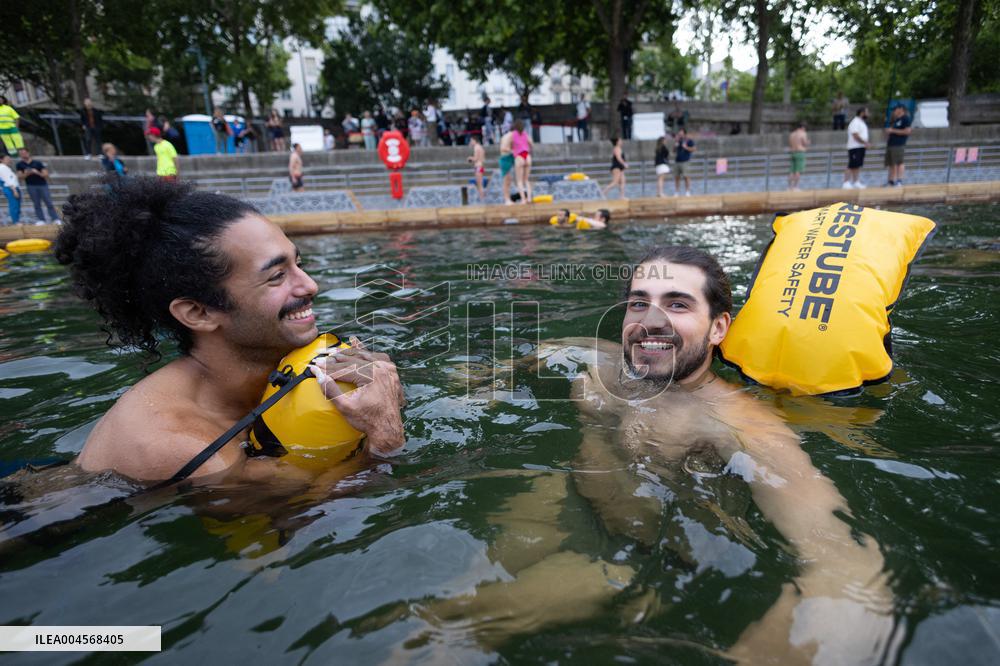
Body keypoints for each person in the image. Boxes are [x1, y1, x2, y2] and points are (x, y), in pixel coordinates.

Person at [549, 245, 892, 662]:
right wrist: (490, 380)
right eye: (639, 303)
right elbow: (552, 347)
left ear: (717, 328)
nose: (651, 321)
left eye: (677, 304)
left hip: (637, 562)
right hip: (568, 500)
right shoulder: (608, 367)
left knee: (481, 612)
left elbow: (842, 560)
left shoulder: (741, 425)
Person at [53, 177, 405, 484]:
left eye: (298, 263)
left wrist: (384, 391)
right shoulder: (184, 448)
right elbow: (318, 525)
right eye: (277, 276)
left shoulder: (260, 366)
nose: (310, 285)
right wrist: (385, 439)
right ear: (198, 312)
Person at [16, 147, 61, 224]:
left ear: (28, 153)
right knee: (36, 204)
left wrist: (36, 172)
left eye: (24, 153)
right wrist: (26, 173)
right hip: (30, 186)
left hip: (42, 185)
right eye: (21, 154)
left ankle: (55, 219)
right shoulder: (19, 164)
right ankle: (41, 220)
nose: (23, 155)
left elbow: (46, 175)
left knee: (49, 202)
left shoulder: (37, 163)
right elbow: (20, 177)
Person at [885, 104, 912, 187]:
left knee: (899, 162)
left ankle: (899, 181)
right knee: (891, 163)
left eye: (895, 109)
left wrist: (892, 130)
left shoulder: (905, 118)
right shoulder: (896, 120)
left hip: (898, 144)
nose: (894, 111)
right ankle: (891, 181)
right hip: (891, 144)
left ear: (901, 109)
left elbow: (907, 131)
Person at [844, 107, 870, 189]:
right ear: (862, 113)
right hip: (854, 147)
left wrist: (864, 143)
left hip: (860, 147)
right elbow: (855, 135)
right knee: (852, 164)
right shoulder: (855, 122)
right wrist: (865, 142)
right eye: (867, 112)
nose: (868, 114)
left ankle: (856, 181)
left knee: (857, 165)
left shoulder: (861, 122)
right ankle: (846, 182)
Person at [511, 120, 533, 203]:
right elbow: (531, 143)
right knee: (526, 180)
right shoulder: (525, 134)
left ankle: (523, 199)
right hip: (527, 155)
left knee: (519, 181)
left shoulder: (513, 134)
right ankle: (529, 198)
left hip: (519, 156)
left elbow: (510, 144)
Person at [673, 128, 696, 196]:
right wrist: (675, 145)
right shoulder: (678, 141)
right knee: (677, 177)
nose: (680, 135)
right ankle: (677, 192)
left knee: (686, 176)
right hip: (677, 161)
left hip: (685, 161)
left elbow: (694, 149)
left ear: (684, 134)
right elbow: (673, 151)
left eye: (681, 133)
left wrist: (686, 147)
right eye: (679, 134)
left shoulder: (689, 140)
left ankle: (687, 191)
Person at [787, 122, 810, 191]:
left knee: (791, 171)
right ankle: (795, 187)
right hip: (800, 153)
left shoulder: (792, 134)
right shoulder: (803, 133)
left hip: (792, 153)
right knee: (798, 171)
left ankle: (789, 187)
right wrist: (808, 142)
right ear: (802, 127)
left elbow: (790, 144)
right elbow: (805, 143)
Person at [0, 153, 21, 224]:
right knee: (14, 205)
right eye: (7, 159)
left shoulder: (6, 168)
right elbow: (8, 180)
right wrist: (14, 190)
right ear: (1, 160)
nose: (9, 160)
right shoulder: (2, 168)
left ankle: (17, 221)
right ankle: (16, 221)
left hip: (12, 188)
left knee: (16, 205)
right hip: (10, 189)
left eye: (9, 158)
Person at [498, 129, 515, 205]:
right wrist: (512, 151)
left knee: (508, 180)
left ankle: (508, 198)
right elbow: (503, 148)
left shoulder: (507, 136)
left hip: (506, 158)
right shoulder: (510, 136)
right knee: (506, 181)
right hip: (505, 158)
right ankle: (506, 199)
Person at [467, 135, 486, 201]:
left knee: (479, 184)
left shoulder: (476, 147)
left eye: (471, 140)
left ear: (474, 140)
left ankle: (482, 198)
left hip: (478, 166)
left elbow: (476, 158)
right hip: (481, 166)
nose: (471, 142)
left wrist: (470, 158)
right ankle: (482, 197)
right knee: (479, 183)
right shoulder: (480, 147)